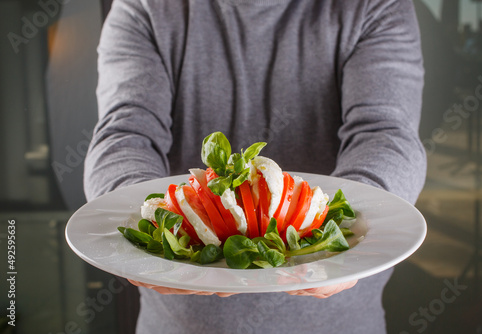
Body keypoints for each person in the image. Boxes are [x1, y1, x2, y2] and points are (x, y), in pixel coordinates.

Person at [84, 0, 426, 333]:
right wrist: (149, 222)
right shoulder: (144, 6)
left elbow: (386, 134)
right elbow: (125, 134)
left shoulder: (376, 4)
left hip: (340, 322)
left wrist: (349, 239)